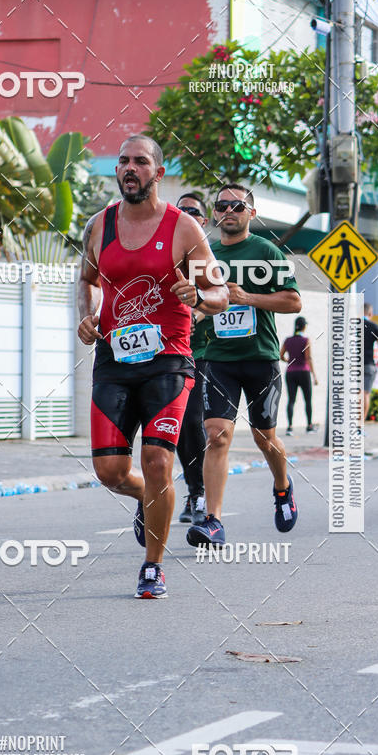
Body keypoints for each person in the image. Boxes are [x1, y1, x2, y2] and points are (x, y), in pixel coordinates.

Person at [77, 134, 228, 599]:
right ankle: (149, 498)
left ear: (158, 173)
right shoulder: (98, 226)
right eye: (123, 161)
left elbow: (220, 296)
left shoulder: (184, 228)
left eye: (140, 162)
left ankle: (152, 566)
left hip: (169, 360)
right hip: (115, 360)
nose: (129, 168)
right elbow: (85, 280)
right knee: (110, 472)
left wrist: (198, 295)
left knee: (158, 459)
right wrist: (86, 314)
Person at [186, 183, 302, 548]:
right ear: (215, 213)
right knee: (217, 435)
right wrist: (200, 312)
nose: (229, 211)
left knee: (263, 437)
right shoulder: (204, 256)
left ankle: (282, 488)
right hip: (218, 359)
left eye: (238, 206)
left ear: (251, 213)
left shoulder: (265, 251)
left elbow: (294, 301)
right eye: (222, 205)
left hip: (260, 359)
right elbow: (193, 307)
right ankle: (213, 521)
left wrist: (246, 296)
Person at [175, 192, 209, 526]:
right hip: (162, 354)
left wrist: (196, 313)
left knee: (193, 425)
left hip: (201, 355)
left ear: (203, 220)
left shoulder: (206, 258)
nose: (185, 215)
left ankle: (198, 492)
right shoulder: (165, 252)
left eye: (192, 211)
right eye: (179, 209)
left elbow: (220, 295)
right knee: (171, 430)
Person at [280, 316, 318, 435]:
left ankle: (290, 427)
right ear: (304, 326)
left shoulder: (287, 340)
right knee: (308, 400)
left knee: (291, 400)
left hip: (290, 372)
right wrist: (314, 376)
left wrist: (289, 361)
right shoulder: (306, 340)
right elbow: (308, 358)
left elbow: (281, 355)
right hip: (304, 371)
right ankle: (309, 426)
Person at [363, 303, 378, 421]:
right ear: (370, 313)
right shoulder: (373, 326)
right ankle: (359, 426)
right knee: (365, 394)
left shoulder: (350, 325)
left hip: (352, 366)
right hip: (368, 364)